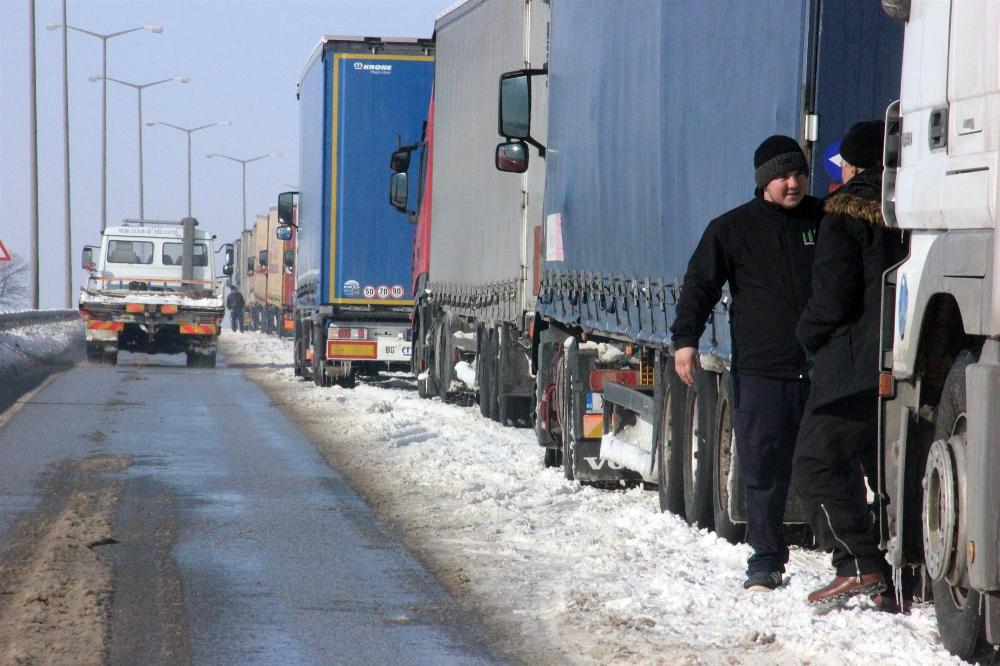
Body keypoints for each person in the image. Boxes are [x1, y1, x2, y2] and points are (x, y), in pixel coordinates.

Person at [671, 135, 823, 592]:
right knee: (763, 468)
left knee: (828, 464)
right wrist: (685, 341)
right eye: (782, 176)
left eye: (798, 173)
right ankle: (766, 560)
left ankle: (849, 560)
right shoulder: (732, 229)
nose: (792, 183)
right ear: (763, 181)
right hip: (762, 371)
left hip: (820, 368)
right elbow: (699, 285)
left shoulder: (824, 220)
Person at [792, 120, 908, 609]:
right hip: (901, 359)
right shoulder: (910, 208)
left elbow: (834, 295)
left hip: (852, 363)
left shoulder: (842, 215)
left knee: (815, 464)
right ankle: (886, 577)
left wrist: (806, 334)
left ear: (854, 163)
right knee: (884, 473)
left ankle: (858, 565)